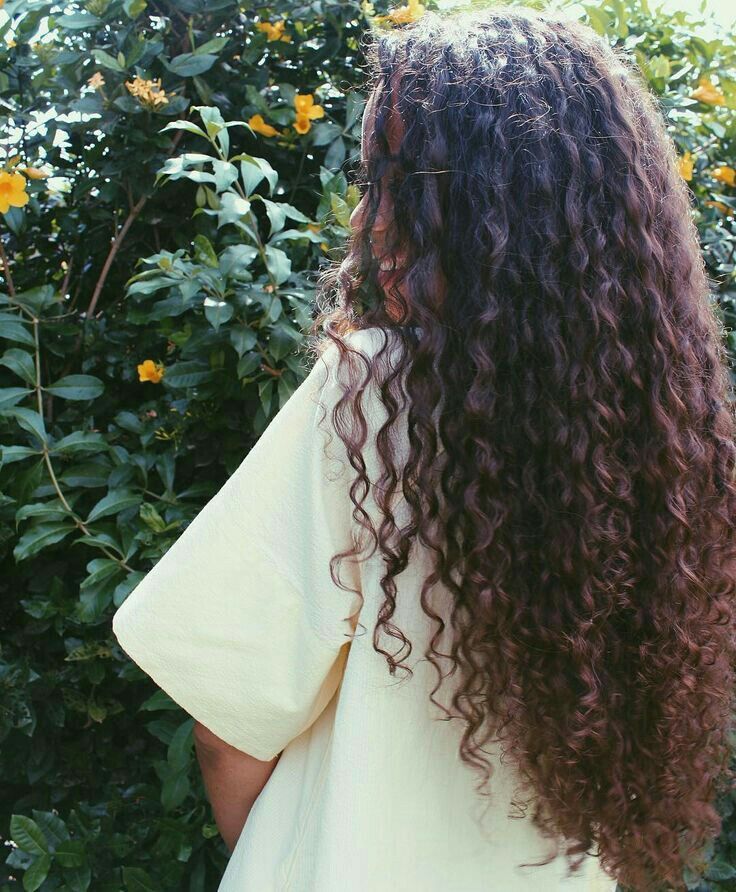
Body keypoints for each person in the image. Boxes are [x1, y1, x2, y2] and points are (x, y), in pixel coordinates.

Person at [111, 6, 736, 891]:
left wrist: (291, 855)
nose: (369, 223)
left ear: (496, 215)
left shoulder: (375, 393)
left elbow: (227, 722)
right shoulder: (665, 435)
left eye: (404, 185)